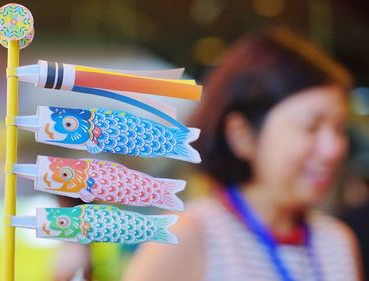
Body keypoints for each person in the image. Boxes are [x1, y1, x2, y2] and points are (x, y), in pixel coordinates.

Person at [123, 27, 362, 281]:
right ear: (242, 135)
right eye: (310, 127)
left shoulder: (336, 241)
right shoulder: (191, 237)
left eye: (339, 129)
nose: (333, 148)